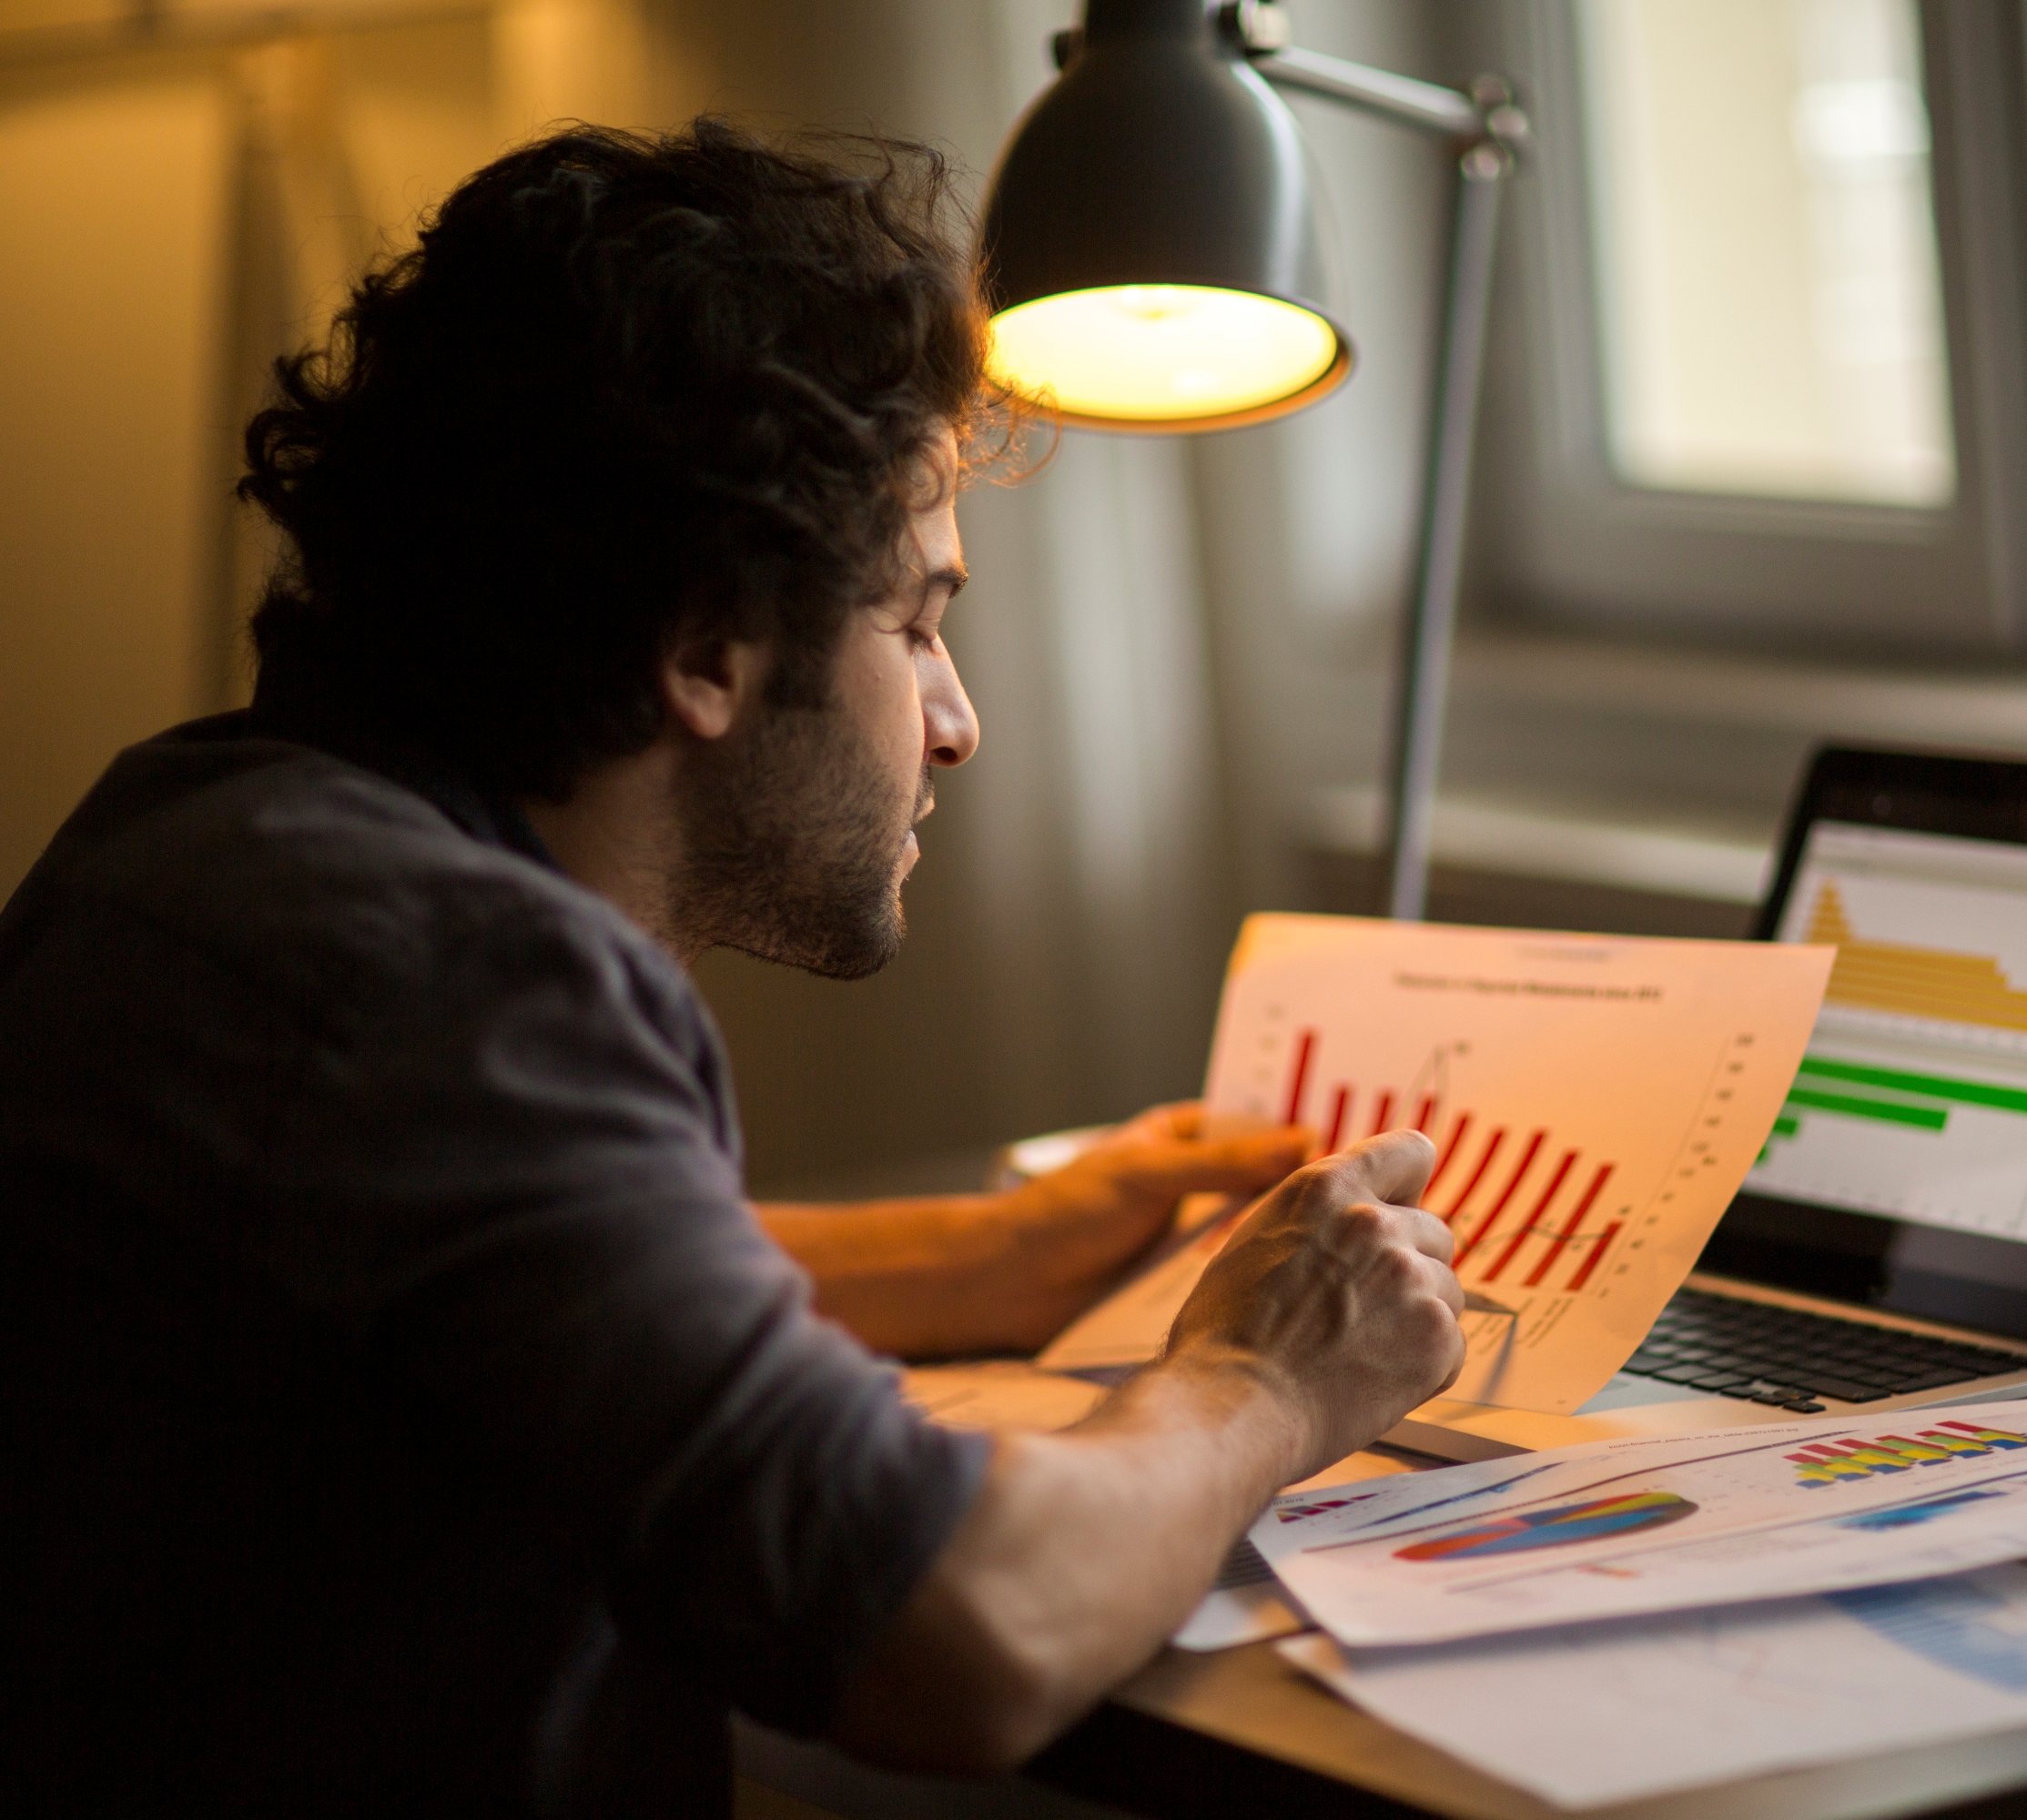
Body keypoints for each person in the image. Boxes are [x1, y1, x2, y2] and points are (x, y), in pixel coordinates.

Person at [0, 119, 1466, 1814]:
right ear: (703, 644)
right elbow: (966, 1631)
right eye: (916, 622)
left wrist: (994, 1253)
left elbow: (499, 1292)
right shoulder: (446, 980)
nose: (956, 722)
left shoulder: (211, 833)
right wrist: (1261, 1379)